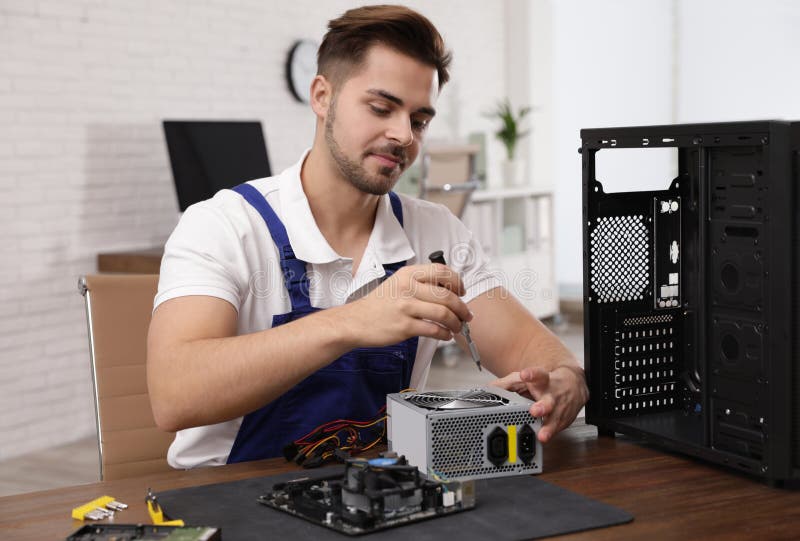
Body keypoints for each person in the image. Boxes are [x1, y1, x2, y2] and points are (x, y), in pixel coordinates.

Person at [147, 4, 588, 469]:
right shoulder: (222, 225)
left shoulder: (436, 231)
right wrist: (353, 321)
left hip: (378, 491)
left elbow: (532, 350)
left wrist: (565, 377)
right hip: (230, 499)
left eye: (419, 121)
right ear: (322, 96)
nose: (403, 135)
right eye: (381, 107)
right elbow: (175, 395)